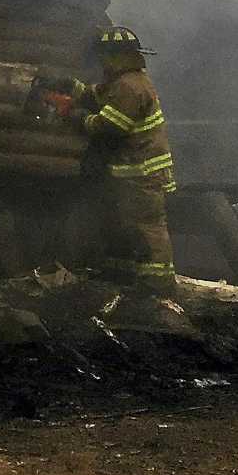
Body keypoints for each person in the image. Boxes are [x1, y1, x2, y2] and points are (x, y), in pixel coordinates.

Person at [67, 26, 178, 286]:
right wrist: (71, 87)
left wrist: (81, 119)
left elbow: (111, 126)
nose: (102, 62)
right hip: (133, 174)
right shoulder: (125, 82)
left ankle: (157, 284)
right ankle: (123, 279)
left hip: (143, 174)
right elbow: (99, 94)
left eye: (106, 56)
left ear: (117, 56)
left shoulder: (129, 86)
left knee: (147, 228)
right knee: (124, 226)